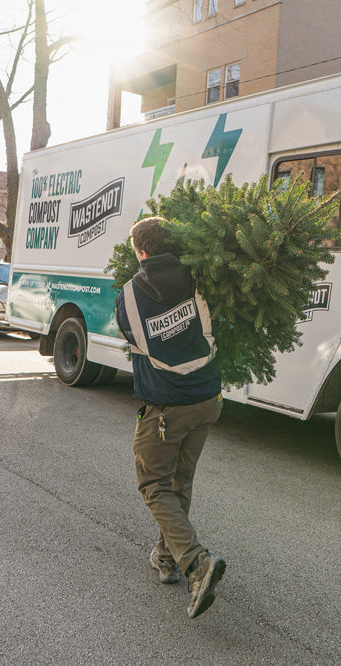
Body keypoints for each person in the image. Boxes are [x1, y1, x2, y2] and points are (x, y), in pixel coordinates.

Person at [115, 216, 225, 619]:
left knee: (153, 483)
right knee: (180, 480)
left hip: (167, 404)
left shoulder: (129, 294)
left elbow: (134, 339)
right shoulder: (199, 277)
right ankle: (166, 558)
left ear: (141, 251)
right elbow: (215, 327)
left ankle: (196, 562)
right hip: (209, 398)